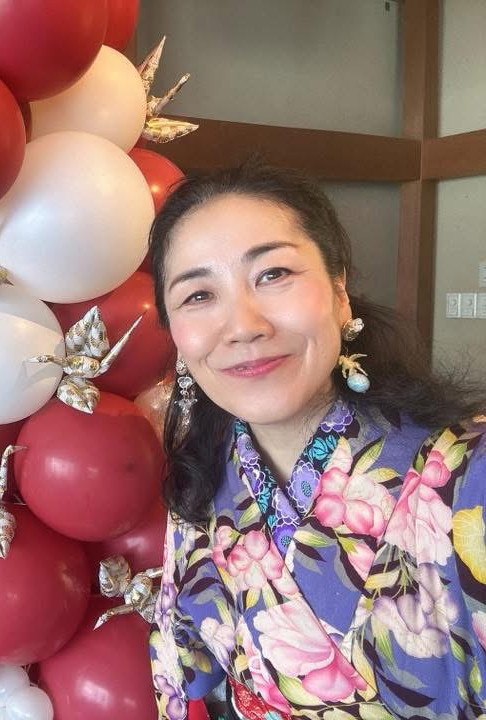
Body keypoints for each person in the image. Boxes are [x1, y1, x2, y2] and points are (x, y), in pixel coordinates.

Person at [146, 160, 486, 720]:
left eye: (273, 274)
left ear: (340, 291)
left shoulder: (470, 476)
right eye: (199, 296)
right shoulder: (202, 480)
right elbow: (181, 669)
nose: (243, 325)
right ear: (176, 336)